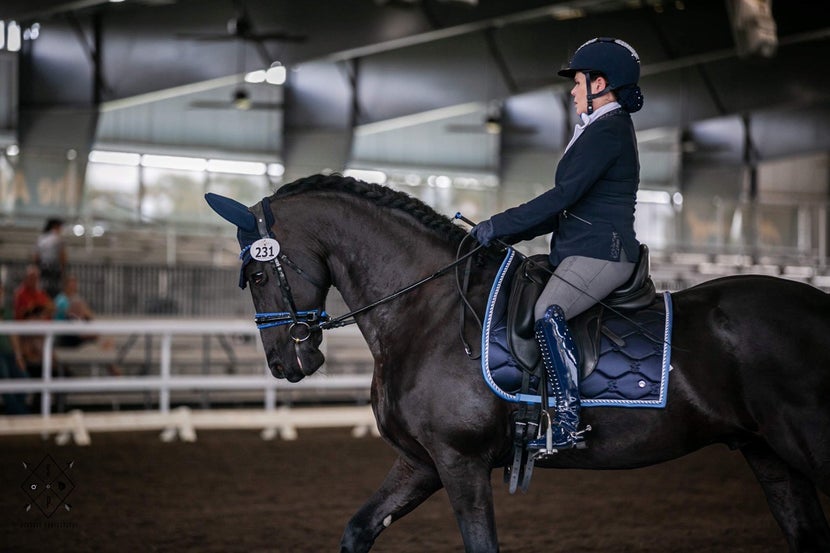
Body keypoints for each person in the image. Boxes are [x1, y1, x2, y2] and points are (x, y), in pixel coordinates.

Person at [470, 37, 645, 450]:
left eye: (579, 81)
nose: (573, 90)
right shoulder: (598, 129)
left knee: (550, 313)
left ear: (600, 83)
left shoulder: (609, 131)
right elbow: (562, 209)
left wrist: (498, 223)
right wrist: (502, 233)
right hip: (580, 248)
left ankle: (569, 423)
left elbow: (561, 198)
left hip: (604, 252)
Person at [0, 282, 29, 415]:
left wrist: (18, 356)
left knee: (23, 377)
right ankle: (20, 413)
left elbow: (14, 335)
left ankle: (15, 411)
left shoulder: (7, 311)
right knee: (3, 375)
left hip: (9, 354)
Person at [33, 218, 67, 298]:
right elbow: (62, 255)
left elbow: (36, 256)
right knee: (55, 292)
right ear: (55, 226)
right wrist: (63, 269)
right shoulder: (58, 238)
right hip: (54, 268)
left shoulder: (41, 238)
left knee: (43, 290)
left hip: (43, 267)